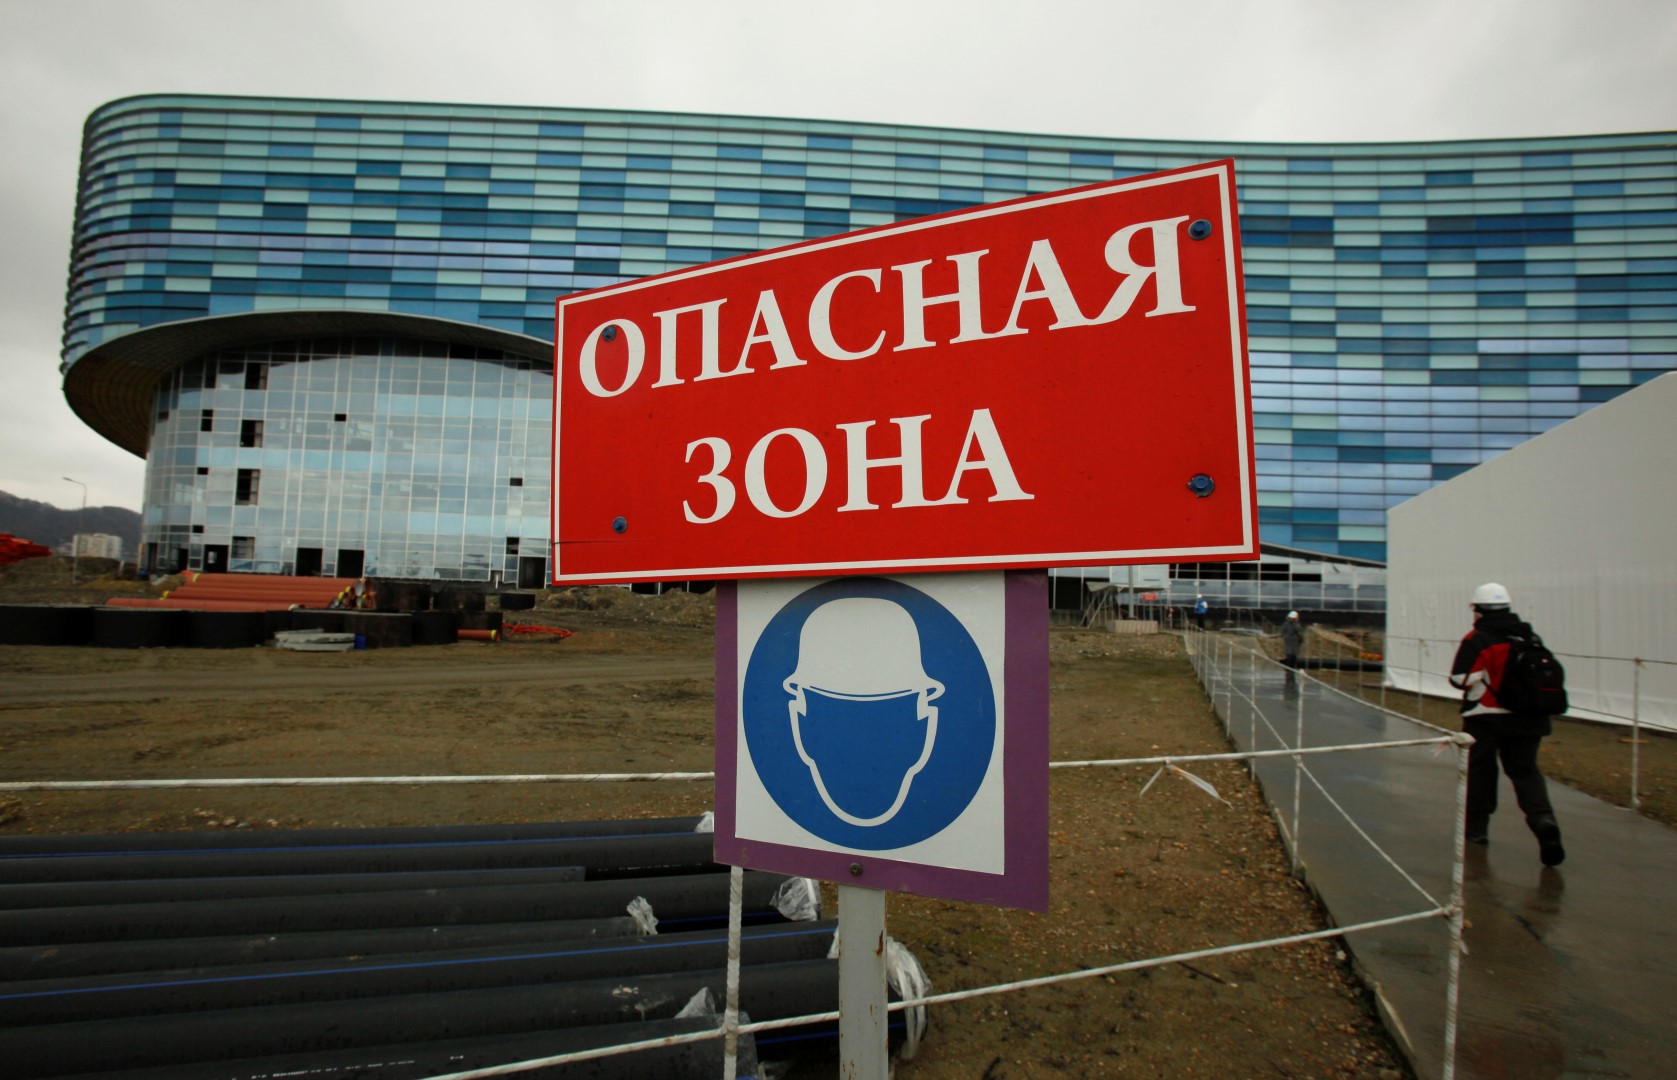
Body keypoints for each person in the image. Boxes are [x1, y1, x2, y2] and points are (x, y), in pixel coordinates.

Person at [1448, 582, 1565, 866]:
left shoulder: (1478, 638)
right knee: (1526, 772)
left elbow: (1460, 678)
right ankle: (1543, 821)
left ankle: (1477, 831)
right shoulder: (1529, 635)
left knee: (1481, 773)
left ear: (1478, 609)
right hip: (1530, 718)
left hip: (1486, 718)